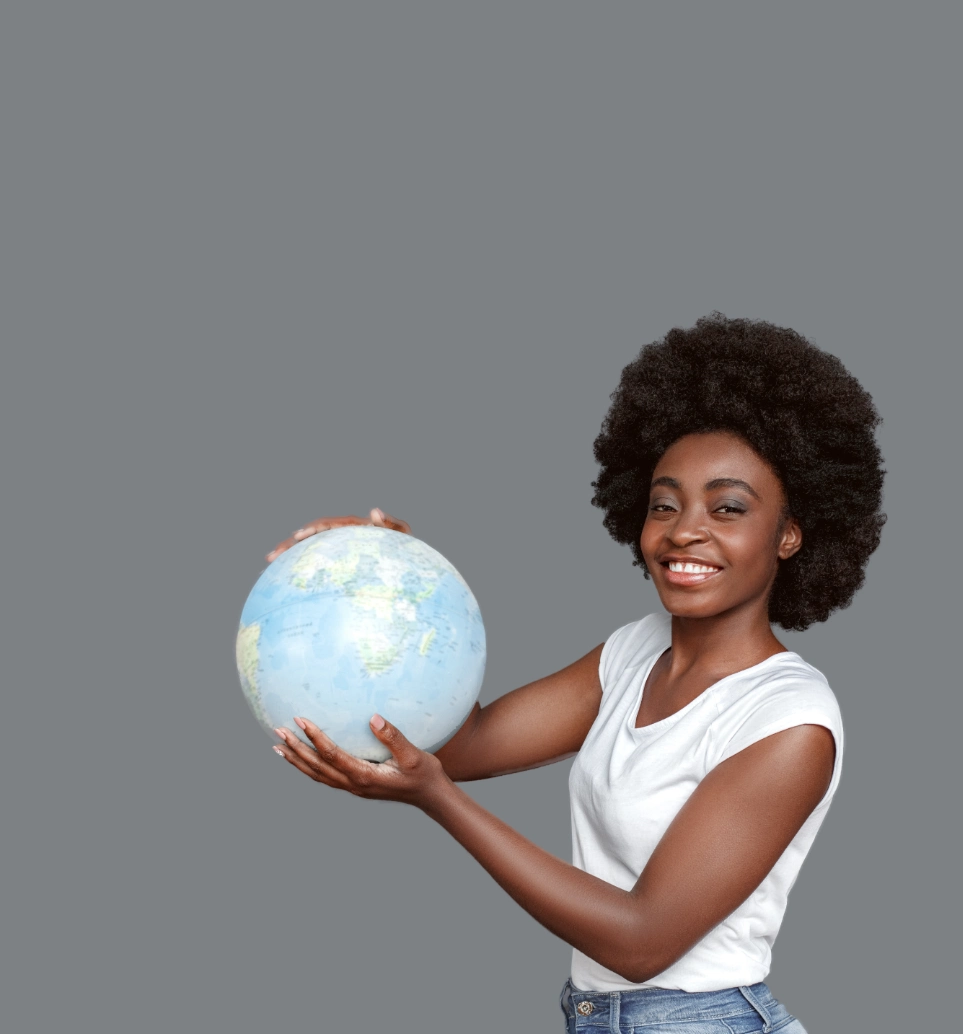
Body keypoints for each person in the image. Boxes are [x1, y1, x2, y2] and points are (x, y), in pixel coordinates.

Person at [265, 315, 884, 1033]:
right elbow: (461, 742)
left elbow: (643, 939)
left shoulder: (788, 720)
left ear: (789, 534)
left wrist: (438, 802)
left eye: (728, 507)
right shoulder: (631, 653)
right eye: (664, 503)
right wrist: (396, 591)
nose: (684, 529)